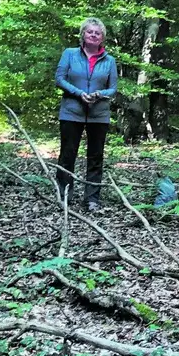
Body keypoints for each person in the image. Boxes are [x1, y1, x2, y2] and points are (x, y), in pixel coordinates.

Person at [54, 18, 119, 211]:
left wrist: (100, 94)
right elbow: (59, 79)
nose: (93, 35)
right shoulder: (70, 54)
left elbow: (113, 88)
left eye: (97, 33)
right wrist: (78, 93)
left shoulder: (109, 60)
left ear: (102, 38)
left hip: (99, 114)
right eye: (89, 32)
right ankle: (64, 196)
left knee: (95, 156)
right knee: (67, 155)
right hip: (71, 112)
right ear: (83, 34)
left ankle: (92, 199)